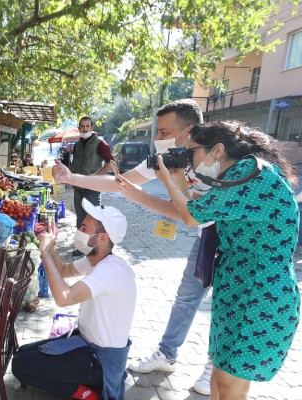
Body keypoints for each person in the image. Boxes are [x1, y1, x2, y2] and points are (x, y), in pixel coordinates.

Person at [53, 99, 214, 394]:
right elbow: (119, 183)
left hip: (236, 240)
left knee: (225, 307)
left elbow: (187, 214)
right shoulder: (165, 159)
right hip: (207, 236)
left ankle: (215, 367)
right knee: (186, 298)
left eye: (164, 132)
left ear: (188, 131)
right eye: (157, 131)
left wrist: (140, 195)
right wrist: (71, 177)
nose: (157, 139)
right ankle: (167, 354)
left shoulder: (212, 160)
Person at [154, 120, 300, 398]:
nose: (191, 159)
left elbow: (190, 215)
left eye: (193, 151)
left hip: (257, 292)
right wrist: (177, 183)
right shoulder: (241, 174)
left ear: (217, 150)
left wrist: (169, 180)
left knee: (230, 384)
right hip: (240, 287)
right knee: (220, 377)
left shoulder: (250, 174)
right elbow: (200, 204)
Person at [12, 199, 135, 400]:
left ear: (102, 238)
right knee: (23, 352)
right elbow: (64, 270)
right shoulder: (96, 259)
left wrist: (44, 253)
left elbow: (64, 297)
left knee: (20, 365)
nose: (79, 229)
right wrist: (51, 249)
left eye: (85, 227)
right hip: (85, 341)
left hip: (100, 359)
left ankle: (89, 394)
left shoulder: (110, 270)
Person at [69, 117, 114, 256]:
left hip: (93, 189)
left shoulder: (101, 143)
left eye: (87, 126)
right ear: (79, 128)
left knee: (95, 218)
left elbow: (111, 163)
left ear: (92, 127)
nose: (84, 129)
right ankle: (82, 247)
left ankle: (99, 248)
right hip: (78, 187)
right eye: (82, 126)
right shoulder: (77, 145)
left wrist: (96, 177)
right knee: (80, 218)